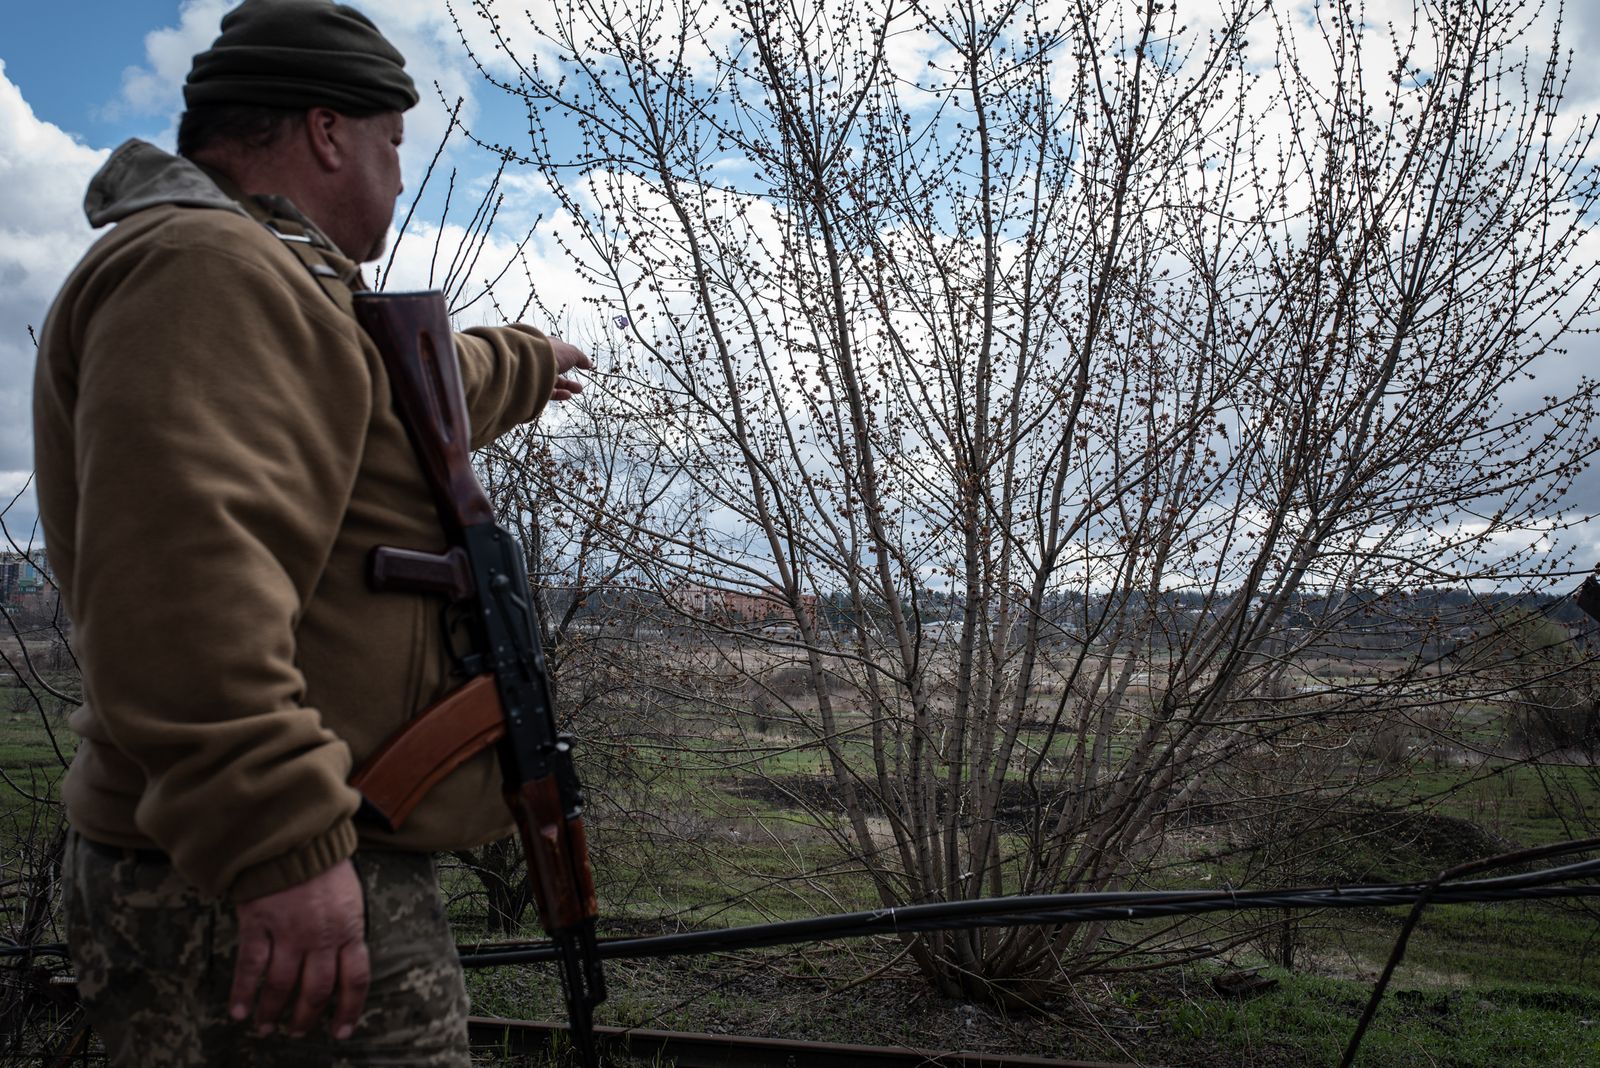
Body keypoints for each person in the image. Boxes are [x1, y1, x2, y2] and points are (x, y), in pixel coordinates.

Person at [31, 1, 591, 1063]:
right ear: (328, 132)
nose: (394, 171)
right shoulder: (205, 269)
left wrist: (523, 362)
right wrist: (280, 841)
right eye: (392, 143)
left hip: (265, 855)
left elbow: (384, 391)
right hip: (251, 869)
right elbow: (182, 583)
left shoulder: (274, 285)